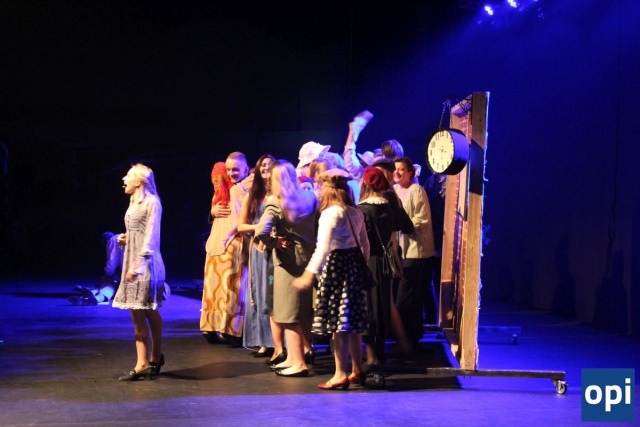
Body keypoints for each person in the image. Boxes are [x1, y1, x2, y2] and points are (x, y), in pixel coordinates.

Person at [293, 168, 369, 391]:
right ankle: (357, 369)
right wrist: (359, 265)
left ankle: (339, 374)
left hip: (336, 269)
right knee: (352, 323)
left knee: (338, 325)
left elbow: (323, 249)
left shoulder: (330, 214)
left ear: (328, 189)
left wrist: (308, 275)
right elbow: (364, 244)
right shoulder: (355, 212)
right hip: (353, 267)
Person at [255, 159, 318, 377]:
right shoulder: (310, 197)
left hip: (287, 264)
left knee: (288, 315)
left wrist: (274, 242)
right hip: (308, 260)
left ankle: (298, 363)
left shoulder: (276, 202)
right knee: (301, 312)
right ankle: (292, 357)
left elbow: (260, 231)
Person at [113, 163, 166, 381]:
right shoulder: (133, 202)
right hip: (132, 262)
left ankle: (148, 360)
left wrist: (138, 266)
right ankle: (150, 359)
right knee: (142, 313)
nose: (124, 179)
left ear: (139, 181)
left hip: (146, 265)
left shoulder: (152, 202)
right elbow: (138, 232)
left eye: (128, 176)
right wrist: (125, 238)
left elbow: (152, 237)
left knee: (143, 312)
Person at [201, 153, 251, 347]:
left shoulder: (245, 186)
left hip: (231, 241)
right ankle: (217, 327)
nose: (231, 173)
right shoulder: (226, 188)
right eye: (228, 170)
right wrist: (211, 212)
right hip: (219, 242)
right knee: (217, 288)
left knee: (228, 288)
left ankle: (227, 328)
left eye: (235, 169)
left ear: (246, 169)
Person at [237, 154, 278, 357]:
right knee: (260, 292)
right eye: (262, 165)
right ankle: (263, 341)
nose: (265, 168)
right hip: (259, 248)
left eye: (269, 165)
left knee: (275, 294)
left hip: (278, 248)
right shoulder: (252, 195)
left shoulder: (280, 194)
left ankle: (279, 343)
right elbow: (241, 226)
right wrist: (260, 227)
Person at [393, 157, 436, 347]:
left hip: (416, 250)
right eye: (396, 169)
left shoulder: (416, 190)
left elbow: (423, 218)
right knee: (412, 292)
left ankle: (401, 334)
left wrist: (404, 226)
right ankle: (412, 332)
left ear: (410, 172)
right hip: (401, 250)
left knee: (406, 291)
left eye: (402, 169)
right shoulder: (395, 190)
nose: (397, 172)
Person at [357, 167, 398, 369]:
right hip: (384, 261)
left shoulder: (363, 210)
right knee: (381, 306)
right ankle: (380, 353)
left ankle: (372, 357)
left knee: (369, 308)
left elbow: (361, 240)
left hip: (368, 261)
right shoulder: (387, 206)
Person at [69, 231, 124, 305]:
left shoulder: (113, 240)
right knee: (111, 283)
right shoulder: (125, 238)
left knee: (110, 284)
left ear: (106, 241)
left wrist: (108, 275)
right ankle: (89, 296)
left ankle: (95, 295)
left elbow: (111, 263)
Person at [423, 172, 447, 325]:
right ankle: (431, 316)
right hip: (429, 236)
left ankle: (442, 318)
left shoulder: (451, 182)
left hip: (444, 237)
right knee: (427, 279)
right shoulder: (430, 181)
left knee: (440, 280)